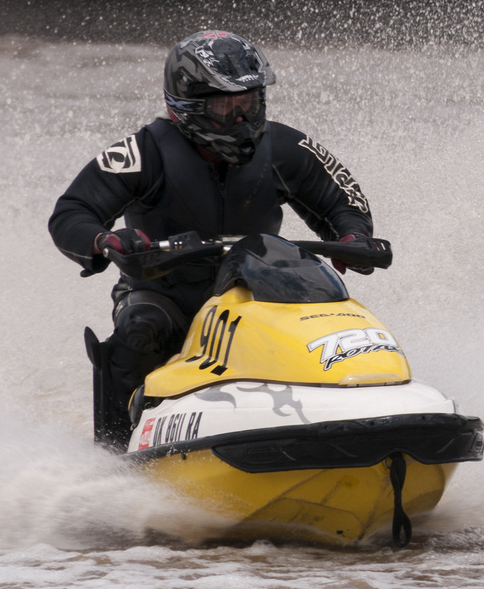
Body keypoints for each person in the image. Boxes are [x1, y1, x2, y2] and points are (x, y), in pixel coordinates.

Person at [49, 30, 376, 449]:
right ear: (186, 105)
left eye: (249, 103)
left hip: (256, 288)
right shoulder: (141, 153)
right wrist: (105, 241)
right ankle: (115, 453)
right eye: (225, 106)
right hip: (163, 291)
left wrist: (355, 236)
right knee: (141, 328)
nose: (241, 118)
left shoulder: (286, 147)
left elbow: (341, 201)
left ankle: (347, 403)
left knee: (325, 311)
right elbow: (71, 212)